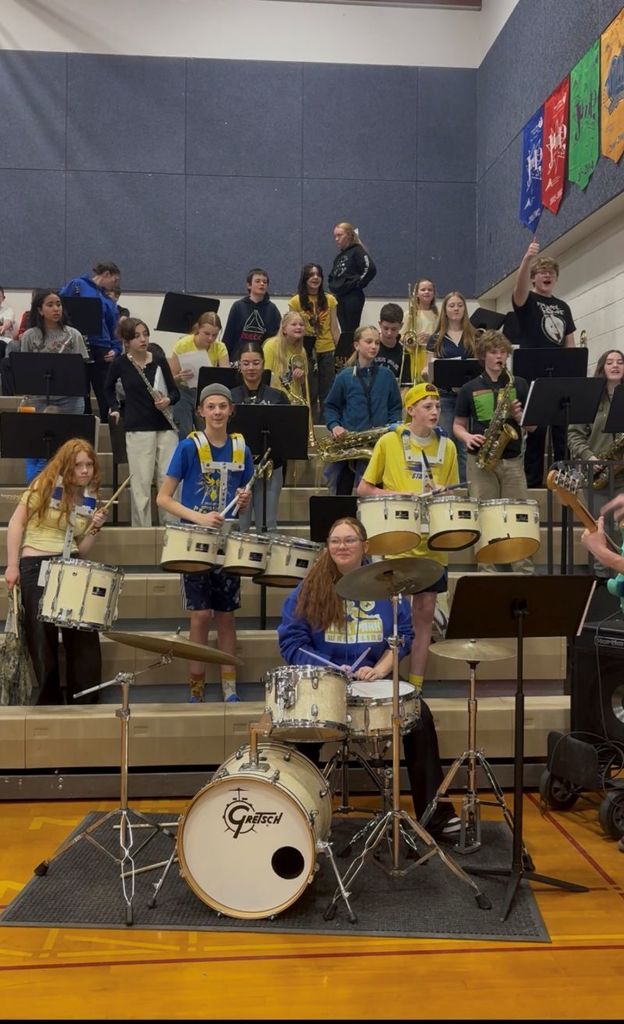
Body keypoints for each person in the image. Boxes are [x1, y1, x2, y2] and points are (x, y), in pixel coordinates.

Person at [277, 516, 460, 839]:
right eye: (336, 540)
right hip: (325, 686)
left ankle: (436, 815)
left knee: (420, 716)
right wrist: (329, 669)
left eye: (349, 540)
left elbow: (402, 636)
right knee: (300, 727)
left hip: (372, 686)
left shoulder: (388, 590)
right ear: (327, 547)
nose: (342, 546)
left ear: (365, 546)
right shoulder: (308, 591)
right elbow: (291, 643)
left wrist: (381, 669)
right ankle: (301, 815)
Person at [358, 382, 458, 693]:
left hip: (432, 546)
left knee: (425, 615)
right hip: (396, 543)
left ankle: (416, 685)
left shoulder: (449, 447)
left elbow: (455, 492)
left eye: (438, 406)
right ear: (410, 410)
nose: (434, 412)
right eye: (427, 406)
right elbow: (364, 489)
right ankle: (387, 681)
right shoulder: (390, 441)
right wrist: (399, 493)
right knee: (393, 618)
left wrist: (444, 494)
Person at [156, 383, 253, 703]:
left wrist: (243, 499)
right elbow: (164, 498)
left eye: (222, 406)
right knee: (200, 616)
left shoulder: (242, 448)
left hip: (226, 542)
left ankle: (229, 688)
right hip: (194, 541)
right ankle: (196, 689)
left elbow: (240, 502)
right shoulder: (188, 447)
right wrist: (198, 518)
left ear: (231, 410)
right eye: (210, 406)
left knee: (226, 617)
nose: (217, 412)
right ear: (200, 411)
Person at [4, 439, 109, 705]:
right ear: (66, 466)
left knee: (84, 635)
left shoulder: (90, 496)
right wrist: (12, 565)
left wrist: (95, 528)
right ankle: (49, 702)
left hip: (71, 566)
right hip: (36, 564)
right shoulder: (45, 485)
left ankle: (84, 700)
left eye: (89, 464)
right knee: (42, 639)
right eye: (79, 465)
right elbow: (17, 522)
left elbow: (81, 548)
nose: (85, 470)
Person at [453, 330, 535, 574]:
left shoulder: (518, 384)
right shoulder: (469, 388)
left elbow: (532, 426)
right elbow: (457, 425)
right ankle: (487, 570)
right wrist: (467, 436)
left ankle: (523, 570)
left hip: (512, 459)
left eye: (503, 352)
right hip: (481, 460)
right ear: (483, 356)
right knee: (485, 515)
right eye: (494, 352)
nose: (500, 357)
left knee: (519, 515)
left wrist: (520, 416)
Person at [512, 240, 576, 487]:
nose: (547, 275)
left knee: (561, 435)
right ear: (534, 279)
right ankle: (534, 485)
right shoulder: (527, 301)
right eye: (541, 272)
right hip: (533, 378)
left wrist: (573, 373)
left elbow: (569, 342)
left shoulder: (563, 307)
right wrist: (527, 260)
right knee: (536, 435)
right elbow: (518, 291)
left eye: (551, 272)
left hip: (559, 378)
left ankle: (563, 484)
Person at [104, 318, 179, 528]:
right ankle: (142, 532)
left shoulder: (159, 360)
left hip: (165, 426)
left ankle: (171, 530)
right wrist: (115, 408)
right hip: (137, 427)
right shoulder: (120, 363)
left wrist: (168, 401)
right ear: (126, 341)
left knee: (168, 481)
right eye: (137, 336)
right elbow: (107, 388)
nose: (143, 339)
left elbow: (175, 392)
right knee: (141, 485)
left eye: (145, 334)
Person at [324, 325, 402, 496]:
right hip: (350, 448)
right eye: (368, 342)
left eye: (376, 342)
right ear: (356, 345)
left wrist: (393, 426)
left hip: (378, 445)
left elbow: (395, 407)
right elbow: (331, 407)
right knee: (343, 496)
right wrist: (335, 425)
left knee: (377, 496)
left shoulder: (387, 376)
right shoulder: (344, 376)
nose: (374, 346)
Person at [568, 349, 624, 578]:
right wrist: (591, 458)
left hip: (622, 476)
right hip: (596, 475)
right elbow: (574, 435)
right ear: (601, 367)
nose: (615, 365)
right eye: (609, 362)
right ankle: (602, 586)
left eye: (620, 362)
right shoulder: (589, 398)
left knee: (620, 534)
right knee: (601, 531)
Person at [230, 341, 289, 533]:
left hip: (270, 468)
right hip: (239, 469)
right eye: (245, 363)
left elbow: (287, 437)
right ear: (239, 365)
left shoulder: (278, 397)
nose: (251, 368)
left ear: (263, 364)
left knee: (268, 524)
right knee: (242, 525)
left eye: (255, 363)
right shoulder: (230, 397)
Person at [59, 261, 122, 422]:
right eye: (115, 280)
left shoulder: (108, 301)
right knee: (81, 391)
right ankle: (83, 425)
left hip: (101, 349)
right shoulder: (77, 285)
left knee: (104, 391)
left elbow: (115, 330)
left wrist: (115, 350)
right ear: (106, 274)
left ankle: (108, 427)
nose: (115, 285)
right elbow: (60, 306)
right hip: (76, 345)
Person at [426, 291, 477, 485]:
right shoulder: (436, 338)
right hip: (445, 396)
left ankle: (464, 486)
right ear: (445, 311)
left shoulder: (474, 335)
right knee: (445, 442)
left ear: (464, 309)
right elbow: (427, 367)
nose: (456, 309)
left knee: (466, 446)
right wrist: (430, 371)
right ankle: (445, 486)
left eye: (459, 305)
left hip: (469, 398)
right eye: (451, 305)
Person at [19, 289, 90, 414]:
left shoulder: (74, 334)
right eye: (50, 305)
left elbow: (81, 367)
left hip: (70, 398)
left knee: (70, 432)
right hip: (39, 398)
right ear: (40, 310)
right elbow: (25, 368)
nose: (56, 309)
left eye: (58, 304)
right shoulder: (29, 336)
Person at [287, 263, 339, 422]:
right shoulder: (295, 301)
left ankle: (325, 426)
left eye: (318, 275)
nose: (315, 278)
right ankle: (310, 427)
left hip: (327, 350)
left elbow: (334, 328)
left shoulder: (330, 299)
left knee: (327, 392)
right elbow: (292, 329)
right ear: (305, 279)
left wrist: (341, 352)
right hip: (305, 351)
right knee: (310, 391)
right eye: (311, 275)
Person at [168, 312, 230, 438]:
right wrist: (180, 377)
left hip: (206, 392)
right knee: (184, 432)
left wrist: (213, 374)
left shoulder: (220, 347)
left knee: (208, 431)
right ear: (198, 329)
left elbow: (226, 376)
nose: (210, 339)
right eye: (206, 334)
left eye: (215, 335)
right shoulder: (183, 344)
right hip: (184, 391)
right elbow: (171, 380)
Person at [328, 222, 376, 356]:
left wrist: (357, 284)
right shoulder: (340, 256)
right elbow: (333, 275)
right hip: (340, 296)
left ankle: (352, 356)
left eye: (339, 235)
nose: (336, 239)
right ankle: (346, 357)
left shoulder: (357, 251)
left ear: (349, 235)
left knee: (351, 330)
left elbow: (370, 268)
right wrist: (333, 285)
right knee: (345, 332)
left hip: (352, 297)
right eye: (335, 236)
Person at [222, 268, 282, 358]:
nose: (262, 284)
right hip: (239, 359)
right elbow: (228, 337)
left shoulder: (272, 309)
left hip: (262, 360)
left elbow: (278, 338)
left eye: (264, 282)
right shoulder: (238, 306)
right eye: (257, 281)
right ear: (249, 285)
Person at [263, 310, 310, 405]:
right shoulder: (270, 346)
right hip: (275, 401)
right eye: (294, 324)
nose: (298, 327)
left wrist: (301, 375)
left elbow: (303, 383)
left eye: (301, 325)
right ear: (284, 329)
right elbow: (265, 376)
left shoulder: (302, 351)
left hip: (295, 400)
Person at [404, 279, 439, 386]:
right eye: (423, 290)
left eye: (430, 290)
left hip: (432, 355)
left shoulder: (438, 315)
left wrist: (432, 338)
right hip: (415, 354)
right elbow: (402, 335)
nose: (426, 292)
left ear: (433, 294)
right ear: (417, 294)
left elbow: (442, 335)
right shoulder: (409, 314)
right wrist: (412, 340)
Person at [374, 302, 411, 386]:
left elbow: (405, 386)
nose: (389, 333)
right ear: (380, 324)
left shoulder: (404, 353)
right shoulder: (370, 346)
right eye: (386, 328)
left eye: (394, 329)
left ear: (401, 326)